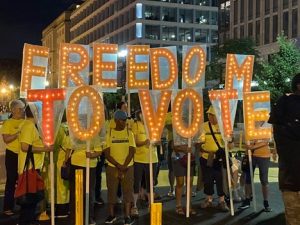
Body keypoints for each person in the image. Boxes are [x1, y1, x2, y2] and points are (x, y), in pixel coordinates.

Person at [268, 73, 300, 225]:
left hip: (288, 178)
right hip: (291, 179)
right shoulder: (287, 105)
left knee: (293, 219)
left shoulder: (282, 106)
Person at [18, 104, 53, 225]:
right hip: (30, 168)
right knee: (29, 199)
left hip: (31, 167)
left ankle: (29, 220)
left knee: (31, 199)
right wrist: (45, 149)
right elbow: (24, 147)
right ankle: (26, 221)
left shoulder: (29, 125)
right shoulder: (29, 126)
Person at [196, 106, 231, 212]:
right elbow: (199, 143)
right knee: (208, 179)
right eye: (209, 115)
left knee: (221, 179)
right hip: (207, 158)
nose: (210, 117)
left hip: (220, 159)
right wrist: (202, 149)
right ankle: (208, 200)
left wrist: (229, 140)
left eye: (212, 115)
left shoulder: (224, 127)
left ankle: (222, 201)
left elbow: (230, 144)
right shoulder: (204, 126)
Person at [104, 110, 135, 225]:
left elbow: (132, 151)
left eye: (125, 120)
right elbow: (107, 153)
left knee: (128, 192)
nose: (124, 122)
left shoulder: (129, 133)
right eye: (122, 120)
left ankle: (127, 216)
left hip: (128, 167)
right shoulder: (110, 133)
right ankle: (111, 215)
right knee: (111, 191)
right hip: (113, 167)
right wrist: (118, 165)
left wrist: (124, 166)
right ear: (116, 120)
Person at [238, 122, 275, 212]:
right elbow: (246, 140)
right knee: (248, 178)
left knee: (264, 180)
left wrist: (252, 146)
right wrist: (248, 150)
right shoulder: (249, 123)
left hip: (264, 156)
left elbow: (266, 141)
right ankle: (247, 200)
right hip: (251, 155)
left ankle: (266, 202)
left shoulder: (268, 125)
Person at [69, 129, 102, 225]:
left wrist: (91, 155)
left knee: (87, 192)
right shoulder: (75, 132)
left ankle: (88, 217)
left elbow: (99, 151)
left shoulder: (93, 134)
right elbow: (69, 147)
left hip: (89, 166)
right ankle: (77, 217)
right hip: (76, 164)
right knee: (76, 192)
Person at [131, 110, 158, 217]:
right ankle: (134, 206)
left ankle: (151, 205)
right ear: (139, 115)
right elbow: (134, 142)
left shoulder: (154, 125)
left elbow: (159, 140)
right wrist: (144, 142)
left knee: (151, 183)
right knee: (136, 183)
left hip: (153, 158)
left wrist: (156, 142)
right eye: (142, 114)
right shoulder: (136, 125)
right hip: (139, 159)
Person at [1, 99, 25, 216]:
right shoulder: (8, 123)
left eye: (23, 109)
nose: (22, 111)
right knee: (11, 181)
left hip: (23, 154)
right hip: (12, 155)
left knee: (22, 180)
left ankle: (22, 204)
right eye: (20, 109)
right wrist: (17, 133)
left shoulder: (25, 122)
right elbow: (6, 139)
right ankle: (7, 207)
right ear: (14, 110)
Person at [53, 114, 72, 217]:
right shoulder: (70, 127)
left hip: (60, 159)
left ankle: (61, 210)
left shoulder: (59, 129)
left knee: (60, 186)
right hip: (69, 158)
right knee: (67, 185)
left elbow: (54, 145)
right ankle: (68, 207)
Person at [165, 111, 175, 197]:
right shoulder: (167, 115)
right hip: (171, 143)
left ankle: (187, 189)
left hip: (183, 143)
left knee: (186, 167)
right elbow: (166, 126)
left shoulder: (184, 112)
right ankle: (172, 188)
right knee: (171, 168)